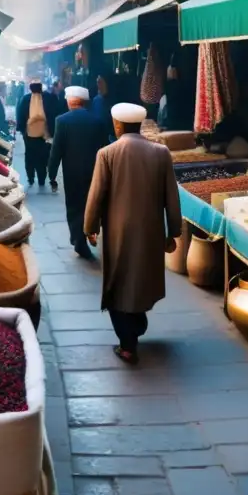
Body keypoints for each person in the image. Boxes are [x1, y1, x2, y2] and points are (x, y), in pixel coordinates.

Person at [84, 103, 182, 364]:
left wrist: (90, 227)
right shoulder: (161, 153)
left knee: (118, 281)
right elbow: (172, 197)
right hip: (150, 230)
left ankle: (128, 345)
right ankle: (136, 326)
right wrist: (173, 231)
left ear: (117, 125)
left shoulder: (107, 153)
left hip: (117, 231)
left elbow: (96, 196)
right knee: (141, 277)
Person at [48, 86, 107, 259]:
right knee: (92, 202)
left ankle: (78, 239)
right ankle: (90, 232)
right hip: (94, 171)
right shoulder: (97, 121)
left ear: (69, 101)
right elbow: (105, 147)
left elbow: (56, 150)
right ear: (84, 102)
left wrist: (51, 173)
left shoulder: (62, 120)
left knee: (74, 205)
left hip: (72, 173)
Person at [16, 78, 59, 190]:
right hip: (44, 134)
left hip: (29, 134)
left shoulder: (25, 99)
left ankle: (30, 177)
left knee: (30, 156)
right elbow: (55, 114)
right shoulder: (49, 98)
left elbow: (20, 115)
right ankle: (41, 178)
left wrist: (22, 129)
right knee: (43, 157)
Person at [91, 74, 114, 142]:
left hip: (110, 136)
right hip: (98, 135)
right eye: (97, 82)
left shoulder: (113, 99)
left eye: (100, 82)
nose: (98, 85)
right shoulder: (96, 100)